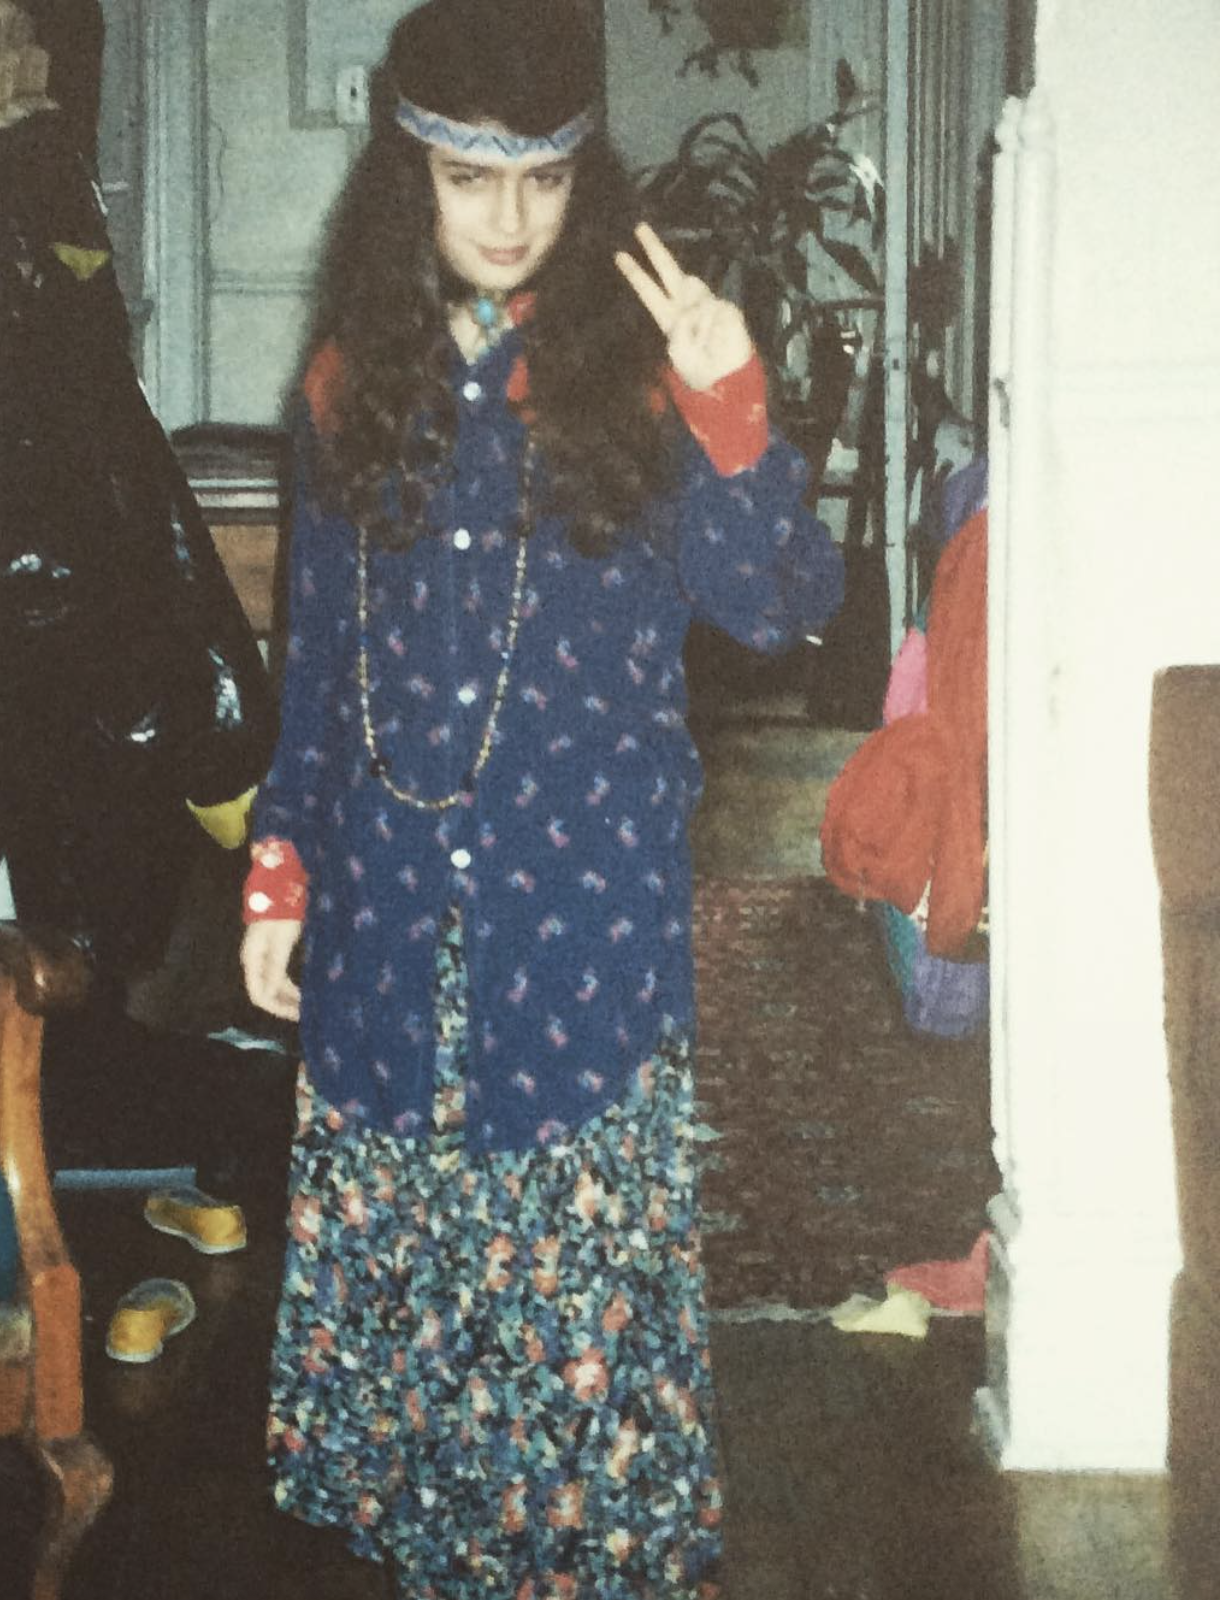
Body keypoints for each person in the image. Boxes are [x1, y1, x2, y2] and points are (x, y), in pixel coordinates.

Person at [240, 1, 843, 1593]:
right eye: (469, 180)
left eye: (546, 182)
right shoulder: (346, 386)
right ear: (411, 177)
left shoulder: (638, 382)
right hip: (389, 929)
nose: (509, 220)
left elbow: (777, 607)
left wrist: (734, 415)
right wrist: (281, 862)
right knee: (424, 1344)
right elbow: (318, 658)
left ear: (590, 178)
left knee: (566, 1380)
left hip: (577, 943)